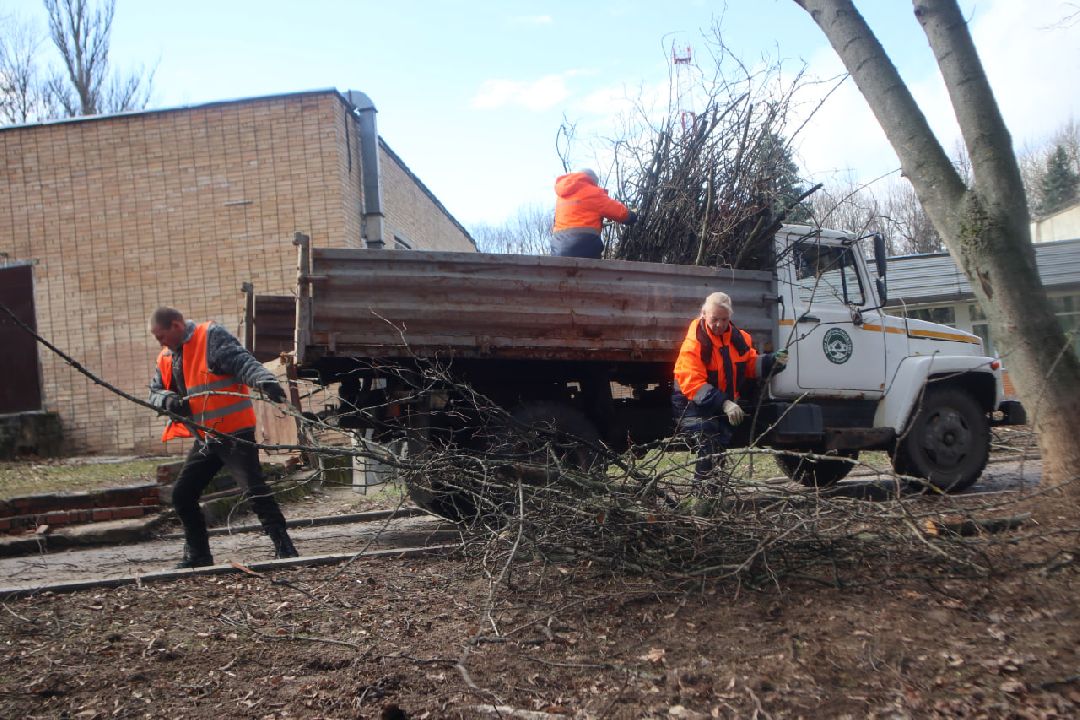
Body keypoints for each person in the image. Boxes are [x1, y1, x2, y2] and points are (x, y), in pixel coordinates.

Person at [148, 306, 299, 568]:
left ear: (176, 325)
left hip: (234, 433)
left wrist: (265, 381)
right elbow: (154, 392)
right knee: (182, 495)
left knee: (254, 490)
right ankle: (199, 556)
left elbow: (243, 363)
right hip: (207, 438)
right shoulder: (167, 357)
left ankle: (284, 547)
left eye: (160, 336)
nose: (159, 343)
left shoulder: (210, 337)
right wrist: (167, 399)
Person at [671, 292, 788, 486]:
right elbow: (693, 384)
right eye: (714, 319)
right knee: (709, 438)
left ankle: (712, 491)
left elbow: (750, 364)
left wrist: (772, 362)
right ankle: (704, 496)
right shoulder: (695, 343)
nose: (719, 325)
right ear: (703, 314)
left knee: (718, 444)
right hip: (690, 405)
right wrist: (725, 403)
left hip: (717, 405)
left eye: (724, 320)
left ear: (730, 317)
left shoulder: (739, 339)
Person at [551, 167, 638, 258]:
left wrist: (598, 221)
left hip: (558, 249)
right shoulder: (593, 192)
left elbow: (574, 219)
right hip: (584, 249)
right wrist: (632, 215)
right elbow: (619, 212)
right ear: (592, 180)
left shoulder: (561, 196)